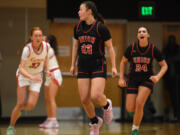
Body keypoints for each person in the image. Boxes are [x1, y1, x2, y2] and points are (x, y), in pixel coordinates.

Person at [70, 1, 117, 135]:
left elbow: (110, 48)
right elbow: (75, 47)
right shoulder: (78, 27)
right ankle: (95, 122)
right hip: (83, 65)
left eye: (81, 10)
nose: (78, 12)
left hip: (98, 64)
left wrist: (114, 66)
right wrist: (72, 64)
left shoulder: (100, 28)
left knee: (96, 96)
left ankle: (107, 105)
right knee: (84, 99)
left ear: (89, 11)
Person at [118, 26, 168, 135]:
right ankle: (135, 116)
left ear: (148, 35)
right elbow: (122, 62)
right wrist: (121, 78)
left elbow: (164, 65)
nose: (142, 33)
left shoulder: (153, 49)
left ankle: (135, 129)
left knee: (139, 103)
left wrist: (157, 77)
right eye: (139, 32)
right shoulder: (131, 48)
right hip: (132, 79)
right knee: (130, 107)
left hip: (147, 79)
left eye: (144, 31)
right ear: (137, 36)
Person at [6, 27, 50, 135]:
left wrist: (47, 70)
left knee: (30, 105)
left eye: (40, 35)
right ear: (31, 37)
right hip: (24, 75)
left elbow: (46, 59)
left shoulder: (46, 47)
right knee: (20, 103)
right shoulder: (27, 49)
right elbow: (21, 68)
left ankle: (18, 111)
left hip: (37, 77)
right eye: (35, 36)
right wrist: (31, 77)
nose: (38, 37)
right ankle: (11, 127)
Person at [39, 35, 62, 128]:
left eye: (42, 36)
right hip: (48, 75)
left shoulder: (48, 49)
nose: (40, 37)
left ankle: (54, 120)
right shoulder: (42, 49)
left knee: (51, 98)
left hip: (54, 74)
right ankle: (49, 119)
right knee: (47, 99)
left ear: (47, 41)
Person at [162, 35, 180, 122]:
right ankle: (174, 115)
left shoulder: (178, 48)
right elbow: (163, 60)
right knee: (171, 97)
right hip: (169, 77)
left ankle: (177, 114)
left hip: (177, 76)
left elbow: (177, 58)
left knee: (176, 96)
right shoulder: (166, 49)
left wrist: (171, 60)